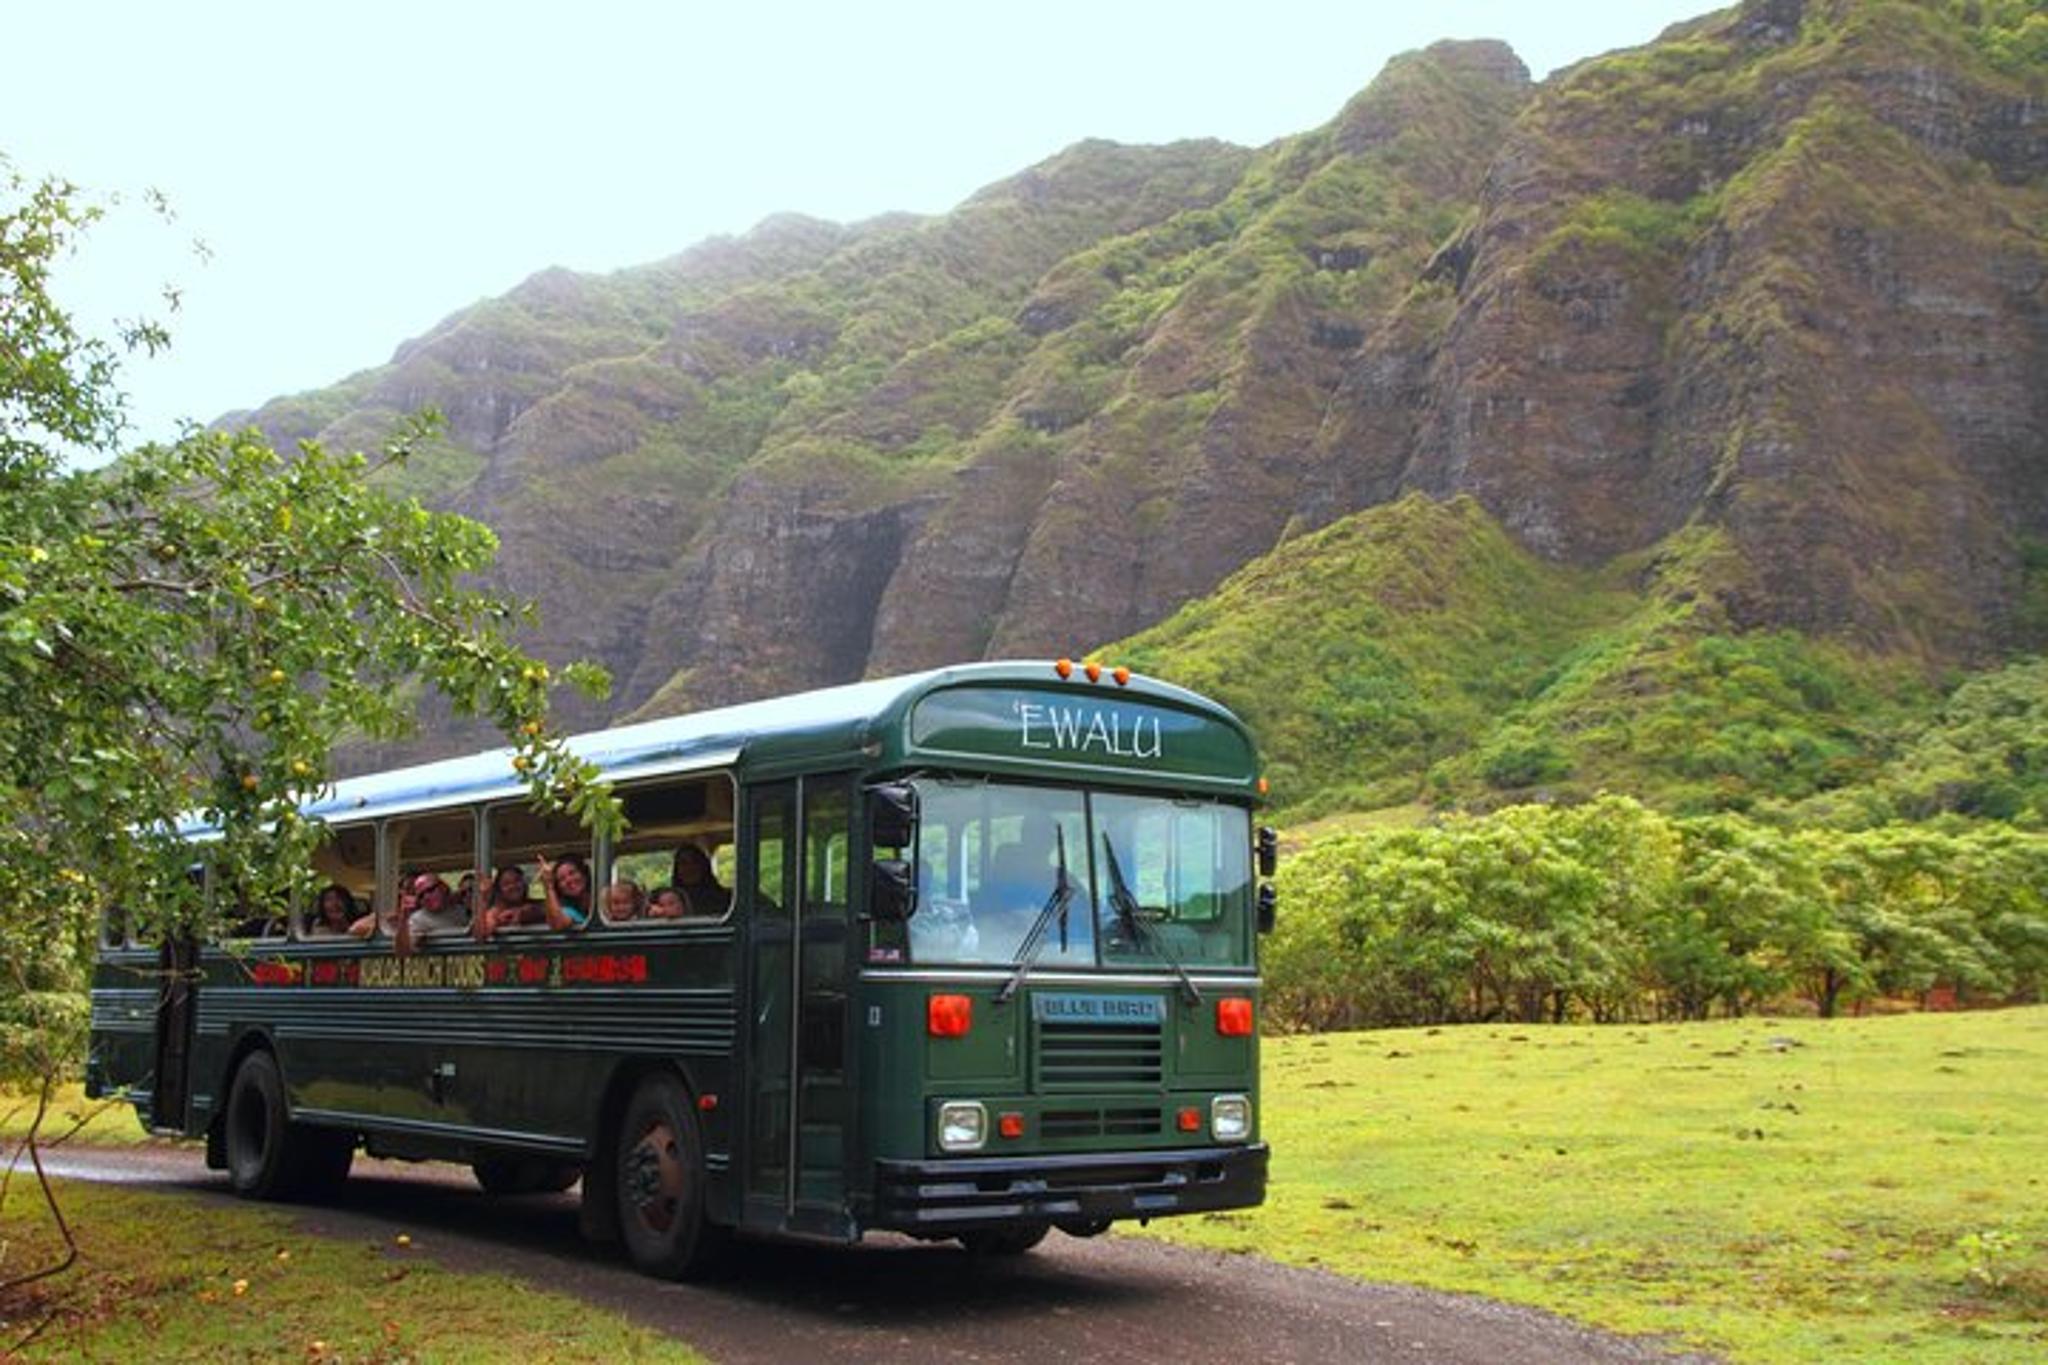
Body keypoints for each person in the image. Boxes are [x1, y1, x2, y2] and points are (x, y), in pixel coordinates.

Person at [395, 872, 467, 955]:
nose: (426, 897)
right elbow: (402, 951)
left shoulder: (462, 911)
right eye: (421, 896)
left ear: (443, 887)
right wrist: (403, 918)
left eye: (430, 890)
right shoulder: (418, 919)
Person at [473, 864, 534, 941]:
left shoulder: (536, 905)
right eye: (506, 883)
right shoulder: (496, 912)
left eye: (517, 881)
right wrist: (483, 898)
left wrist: (521, 913)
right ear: (499, 890)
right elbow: (481, 935)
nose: (513, 886)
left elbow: (535, 910)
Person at [534, 851, 591, 931]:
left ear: (584, 874)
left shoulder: (602, 898)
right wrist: (549, 886)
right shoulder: (569, 910)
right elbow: (558, 924)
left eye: (572, 873)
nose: (569, 880)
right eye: (562, 879)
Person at [670, 845, 730, 917]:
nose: (689, 868)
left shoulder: (725, 898)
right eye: (683, 863)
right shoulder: (668, 901)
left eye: (694, 862)